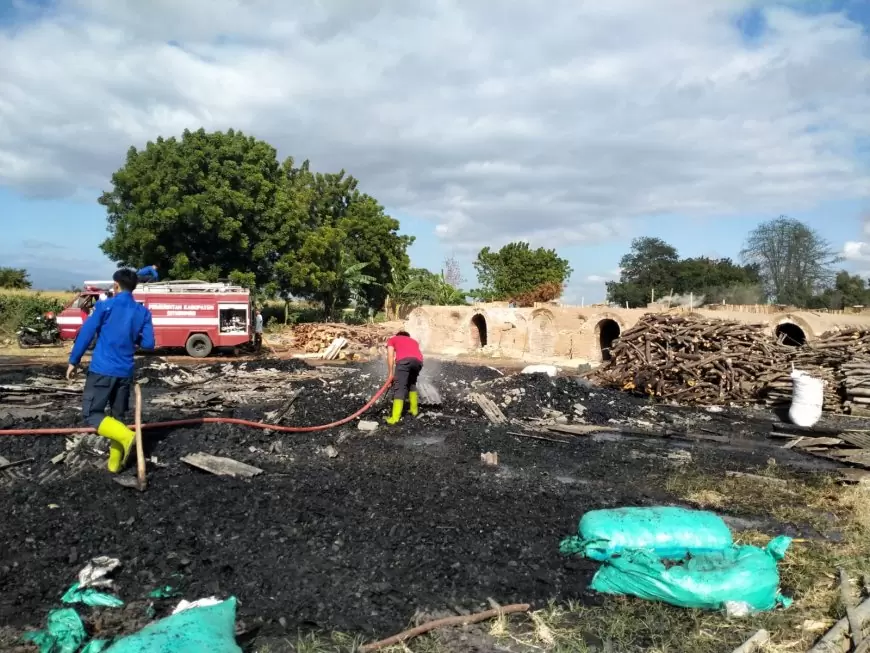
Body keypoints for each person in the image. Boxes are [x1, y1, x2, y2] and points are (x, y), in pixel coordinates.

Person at [66, 268, 155, 473]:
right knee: (116, 418)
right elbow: (149, 343)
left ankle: (127, 437)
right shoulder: (143, 312)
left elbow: (86, 334)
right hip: (125, 372)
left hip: (101, 371)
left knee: (91, 414)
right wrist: (132, 338)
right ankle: (114, 466)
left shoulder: (104, 306)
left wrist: (74, 361)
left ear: (116, 286)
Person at [385, 330, 423, 425]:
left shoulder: (393, 339)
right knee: (412, 384)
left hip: (404, 362)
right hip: (418, 363)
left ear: (398, 335)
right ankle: (414, 411)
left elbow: (390, 356)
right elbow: (418, 355)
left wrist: (390, 374)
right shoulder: (414, 341)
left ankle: (395, 418)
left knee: (400, 388)